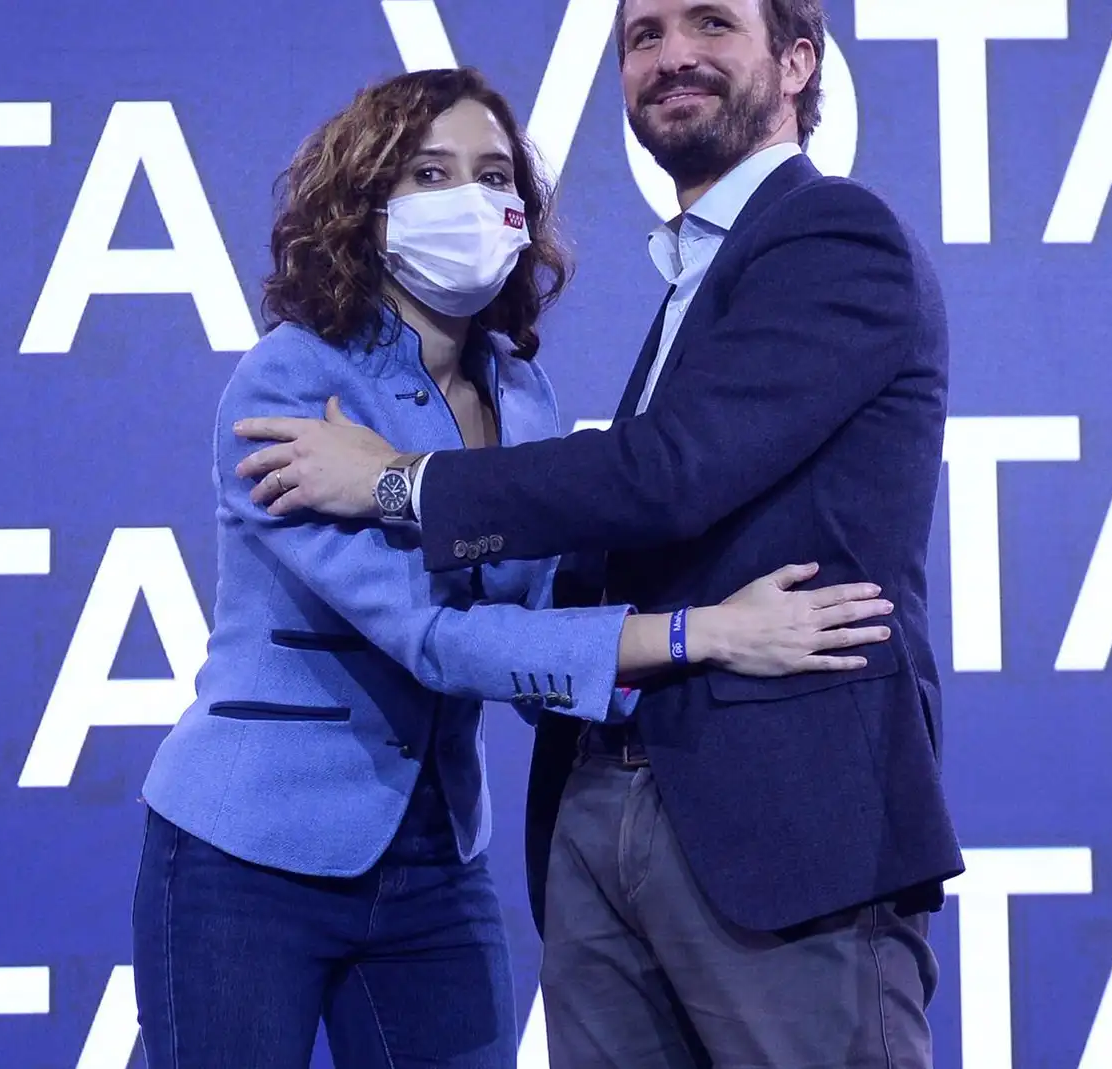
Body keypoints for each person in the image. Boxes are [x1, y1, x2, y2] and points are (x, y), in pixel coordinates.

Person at [232, 2, 963, 1067]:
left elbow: (667, 478)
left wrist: (399, 483)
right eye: (643, 36)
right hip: (605, 807)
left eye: (710, 24)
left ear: (798, 61)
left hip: (779, 828)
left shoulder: (832, 235)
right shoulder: (698, 277)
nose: (672, 57)